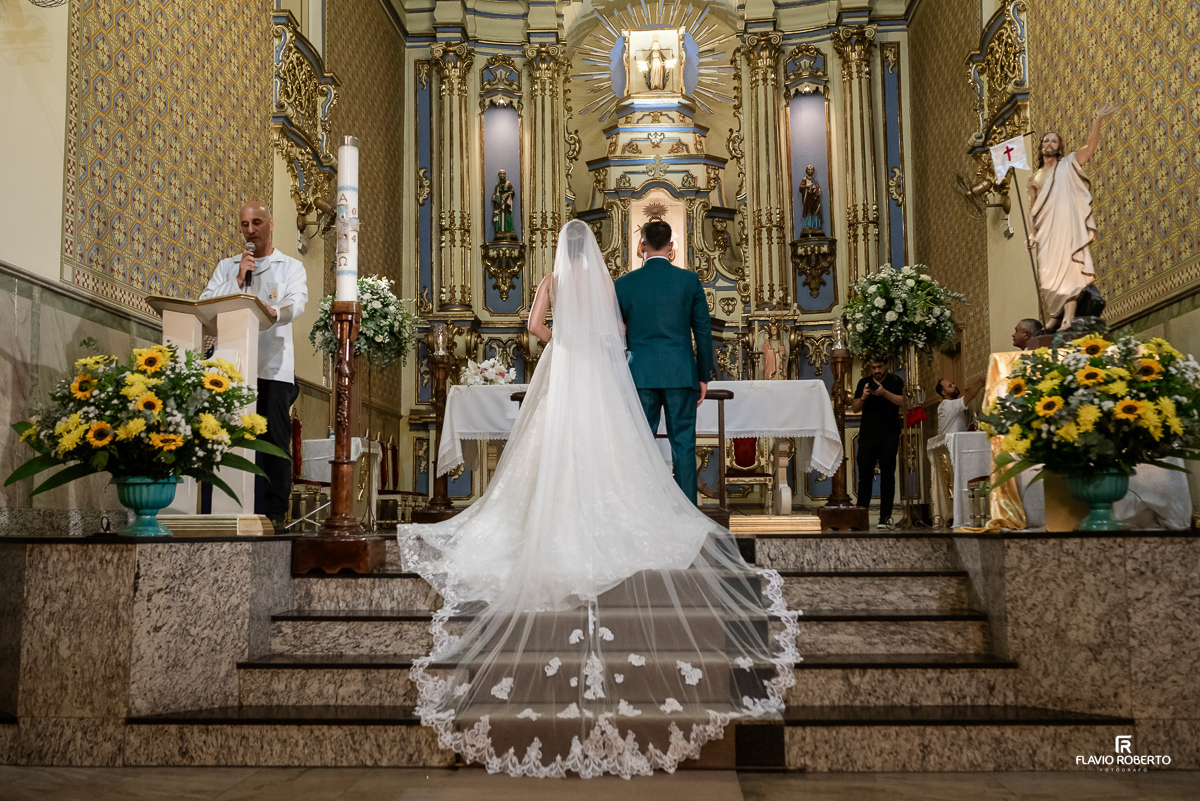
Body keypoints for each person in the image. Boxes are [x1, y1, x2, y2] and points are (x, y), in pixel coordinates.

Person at [396, 221, 798, 779]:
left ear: (637, 244)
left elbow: (538, 326)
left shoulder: (574, 281)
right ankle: (680, 516)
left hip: (568, 376)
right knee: (652, 453)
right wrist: (687, 368)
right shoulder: (649, 283)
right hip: (653, 373)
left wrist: (559, 342)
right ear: (670, 243)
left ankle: (562, 521)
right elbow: (629, 335)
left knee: (558, 454)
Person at [199, 201, 307, 527]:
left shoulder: (290, 267)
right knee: (227, 436)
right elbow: (205, 304)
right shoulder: (228, 266)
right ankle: (225, 505)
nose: (250, 231)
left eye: (256, 223)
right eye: (244, 225)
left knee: (273, 440)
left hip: (272, 368)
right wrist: (237, 279)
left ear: (270, 224)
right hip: (231, 366)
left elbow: (296, 302)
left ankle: (274, 513)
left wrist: (274, 312)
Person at [615, 219, 713, 503]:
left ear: (641, 245)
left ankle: (641, 508)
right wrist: (703, 375)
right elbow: (703, 331)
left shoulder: (623, 284)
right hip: (681, 372)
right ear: (671, 246)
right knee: (683, 444)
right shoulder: (689, 281)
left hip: (639, 375)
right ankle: (688, 515)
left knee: (639, 445)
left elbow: (614, 332)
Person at [1026, 106, 1117, 330]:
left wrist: (1098, 120)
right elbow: (1033, 209)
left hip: (1067, 227)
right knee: (1049, 274)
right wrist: (1031, 234)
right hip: (1047, 232)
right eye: (1045, 141)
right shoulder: (1034, 178)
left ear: (1059, 148)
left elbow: (1090, 147)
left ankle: (1068, 316)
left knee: (1069, 268)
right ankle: (1056, 313)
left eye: (1053, 142)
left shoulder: (1067, 164)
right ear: (1041, 147)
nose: (1048, 144)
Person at [852, 358, 905, 529]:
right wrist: (864, 396)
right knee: (864, 477)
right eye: (873, 367)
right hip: (868, 435)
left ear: (887, 366)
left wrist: (884, 393)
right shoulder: (863, 382)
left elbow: (904, 402)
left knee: (888, 476)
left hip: (889, 434)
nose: (876, 371)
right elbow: (855, 408)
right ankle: (861, 517)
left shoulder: (895, 381)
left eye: (880, 367)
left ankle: (885, 518)